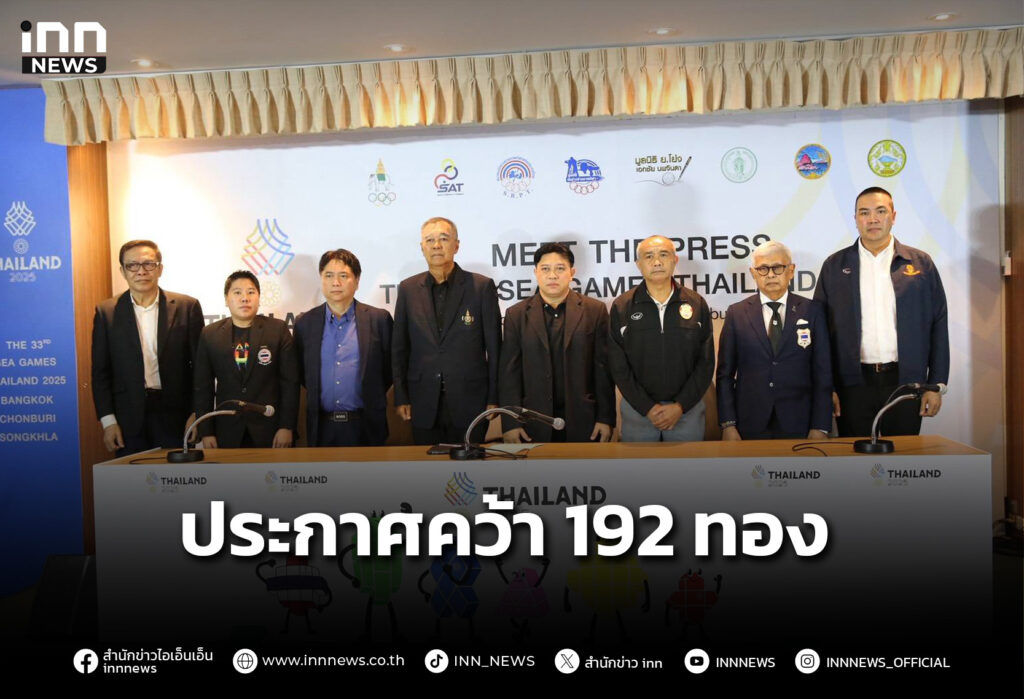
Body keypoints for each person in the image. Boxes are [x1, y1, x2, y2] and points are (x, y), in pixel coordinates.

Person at [814, 186, 949, 437]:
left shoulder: (920, 263)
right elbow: (819, 332)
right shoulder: (834, 266)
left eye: (880, 211)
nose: (873, 219)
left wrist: (935, 385)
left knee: (902, 457)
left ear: (893, 216)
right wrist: (826, 387)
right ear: (855, 218)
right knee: (854, 455)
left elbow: (938, 324)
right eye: (864, 212)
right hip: (851, 385)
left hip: (906, 382)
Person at [392, 217, 501, 445]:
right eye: (429, 240)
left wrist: (494, 397)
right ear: (422, 247)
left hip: (471, 400)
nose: (436, 245)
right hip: (422, 400)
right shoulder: (408, 289)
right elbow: (399, 348)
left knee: (471, 465)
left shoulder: (481, 287)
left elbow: (495, 348)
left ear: (456, 245)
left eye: (443, 238)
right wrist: (401, 396)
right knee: (426, 466)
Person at [91, 240, 204, 455]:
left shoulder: (187, 307)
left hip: (177, 416)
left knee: (177, 475)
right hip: (127, 419)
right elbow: (100, 373)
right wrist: (108, 422)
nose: (141, 271)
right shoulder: (107, 312)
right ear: (123, 271)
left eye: (149, 264)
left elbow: (201, 368)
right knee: (132, 476)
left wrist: (196, 412)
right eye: (132, 265)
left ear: (160, 269)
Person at [499, 243, 615, 443]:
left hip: (584, 420)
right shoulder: (516, 315)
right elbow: (509, 375)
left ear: (572, 273)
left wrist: (605, 418)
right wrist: (511, 423)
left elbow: (603, 371)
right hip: (531, 421)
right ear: (536, 272)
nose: (552, 275)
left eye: (560, 268)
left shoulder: (595, 311)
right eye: (545, 269)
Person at [716, 241, 832, 440]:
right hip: (749, 423)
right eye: (763, 269)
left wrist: (820, 426)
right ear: (753, 273)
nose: (770, 275)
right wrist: (728, 424)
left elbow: (823, 373)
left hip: (800, 422)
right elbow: (725, 375)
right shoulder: (737, 313)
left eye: (777, 267)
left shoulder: (813, 311)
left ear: (791, 270)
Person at [608, 235, 713, 441]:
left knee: (689, 463)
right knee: (640, 464)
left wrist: (680, 406)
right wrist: (647, 407)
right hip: (638, 412)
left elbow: (706, 362)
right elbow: (618, 365)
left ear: (675, 260)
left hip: (687, 411)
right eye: (649, 256)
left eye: (663, 255)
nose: (657, 262)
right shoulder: (622, 306)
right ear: (638, 264)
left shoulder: (696, 303)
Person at [294, 249, 394, 447]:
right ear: (321, 279)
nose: (336, 282)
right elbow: (303, 374)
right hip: (322, 426)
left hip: (366, 425)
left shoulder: (379, 320)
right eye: (329, 275)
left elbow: (389, 370)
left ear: (357, 281)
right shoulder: (305, 323)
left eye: (343, 276)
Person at [192, 270, 299, 448]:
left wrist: (286, 426)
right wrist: (206, 431)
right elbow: (203, 387)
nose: (245, 298)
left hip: (270, 428)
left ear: (259, 298)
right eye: (237, 292)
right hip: (227, 429)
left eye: (251, 292)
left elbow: (290, 383)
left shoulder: (277, 330)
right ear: (226, 299)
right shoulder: (210, 334)